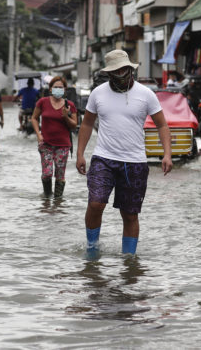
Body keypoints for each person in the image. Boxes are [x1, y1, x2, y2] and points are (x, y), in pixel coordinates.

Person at [76, 49, 173, 256]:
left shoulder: (146, 94)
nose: (121, 75)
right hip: (103, 158)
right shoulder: (98, 93)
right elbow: (86, 124)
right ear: (109, 73)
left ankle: (129, 259)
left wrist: (167, 154)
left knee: (130, 215)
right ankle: (92, 249)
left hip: (135, 162)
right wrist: (80, 154)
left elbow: (162, 125)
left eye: (124, 70)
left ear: (131, 69)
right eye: (116, 71)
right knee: (96, 203)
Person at [31, 76, 78, 199]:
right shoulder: (43, 102)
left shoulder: (70, 105)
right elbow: (34, 118)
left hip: (63, 145)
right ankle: (47, 197)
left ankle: (58, 201)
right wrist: (38, 134)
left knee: (60, 175)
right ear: (50, 89)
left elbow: (74, 125)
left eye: (60, 87)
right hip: (45, 144)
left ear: (65, 89)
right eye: (55, 87)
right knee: (47, 173)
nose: (58, 89)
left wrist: (66, 116)